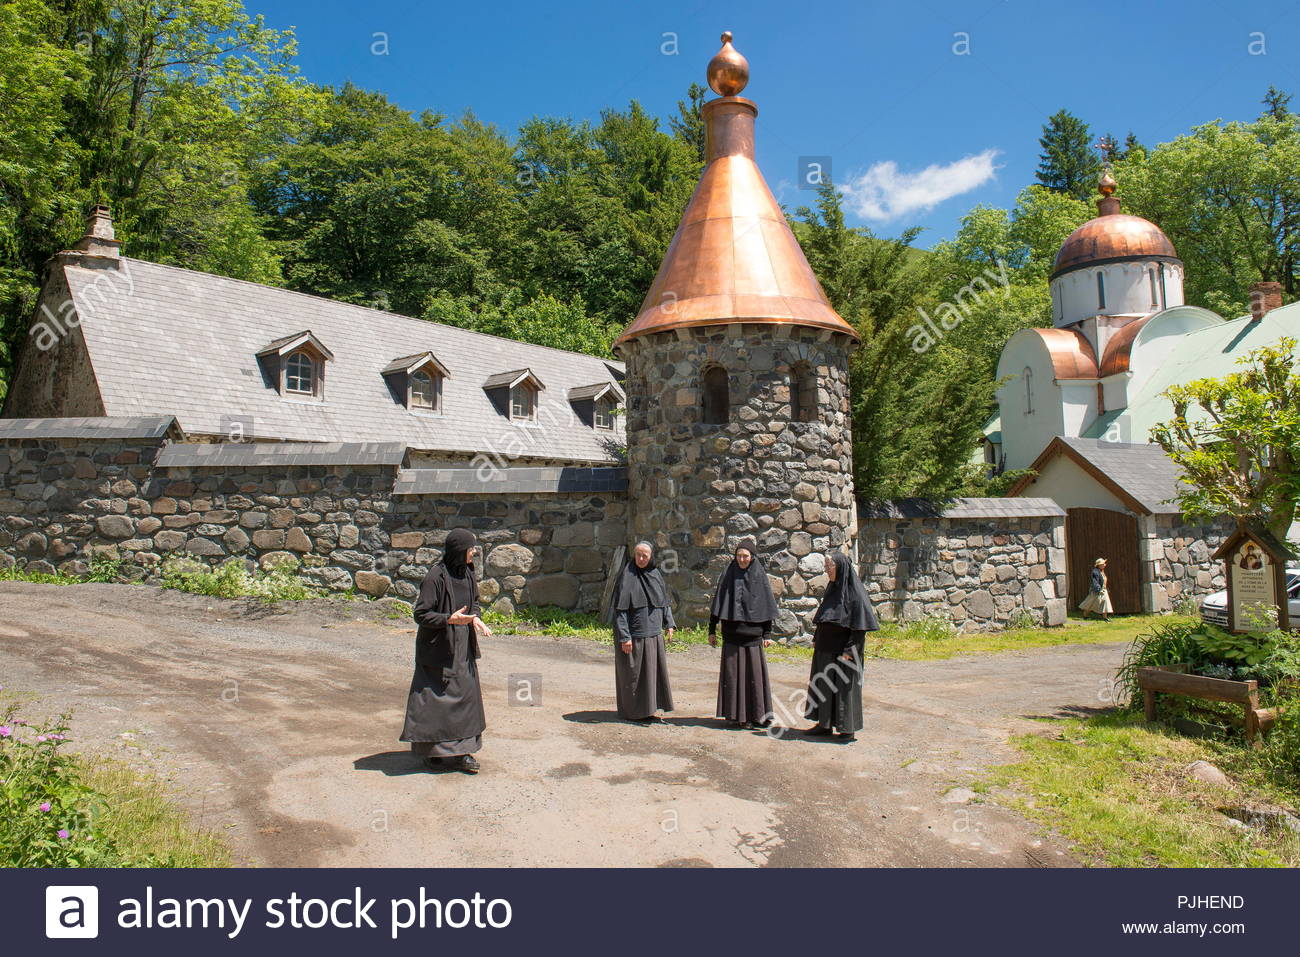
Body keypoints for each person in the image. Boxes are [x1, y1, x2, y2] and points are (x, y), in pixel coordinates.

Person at [400, 528, 493, 773]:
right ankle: (434, 753)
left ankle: (464, 752)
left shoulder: (468, 573)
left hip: (463, 645)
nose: (474, 552)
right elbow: (421, 614)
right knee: (436, 700)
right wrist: (448, 620)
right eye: (470, 548)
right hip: (438, 645)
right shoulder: (435, 576)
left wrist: (475, 619)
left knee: (465, 698)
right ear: (459, 551)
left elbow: (474, 602)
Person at [804, 551, 877, 742]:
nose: (827, 570)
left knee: (845, 690)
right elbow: (825, 616)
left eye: (830, 567)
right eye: (826, 567)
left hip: (845, 652)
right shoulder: (832, 588)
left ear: (841, 567)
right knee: (823, 687)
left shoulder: (856, 594)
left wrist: (849, 651)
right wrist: (817, 637)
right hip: (825, 648)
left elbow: (859, 627)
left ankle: (847, 729)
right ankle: (824, 724)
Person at [708, 538, 778, 729]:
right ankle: (735, 715)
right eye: (739, 555)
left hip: (753, 636)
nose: (742, 559)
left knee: (754, 678)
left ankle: (757, 716)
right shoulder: (728, 573)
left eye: (745, 556)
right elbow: (718, 602)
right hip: (732, 635)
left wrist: (767, 634)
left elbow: (765, 605)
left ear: (752, 556)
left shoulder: (759, 575)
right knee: (733, 676)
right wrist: (712, 630)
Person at [608, 541, 675, 722]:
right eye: (638, 554)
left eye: (645, 555)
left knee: (652, 675)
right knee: (634, 675)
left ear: (651, 556)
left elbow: (663, 602)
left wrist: (669, 623)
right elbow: (620, 610)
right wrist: (624, 636)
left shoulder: (655, 574)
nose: (641, 558)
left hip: (653, 634)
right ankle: (634, 712)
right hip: (634, 636)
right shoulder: (626, 577)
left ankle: (649, 710)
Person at [1078, 557, 1113, 621]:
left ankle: (1105, 617)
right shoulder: (1095, 572)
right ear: (1099, 565)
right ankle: (1085, 615)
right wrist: (1099, 590)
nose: (1104, 565)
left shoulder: (1102, 571)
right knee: (1091, 603)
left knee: (1105, 602)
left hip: (1104, 590)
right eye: (1103, 564)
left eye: (1104, 564)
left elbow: (1103, 582)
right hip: (1097, 590)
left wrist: (1104, 589)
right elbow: (1095, 582)